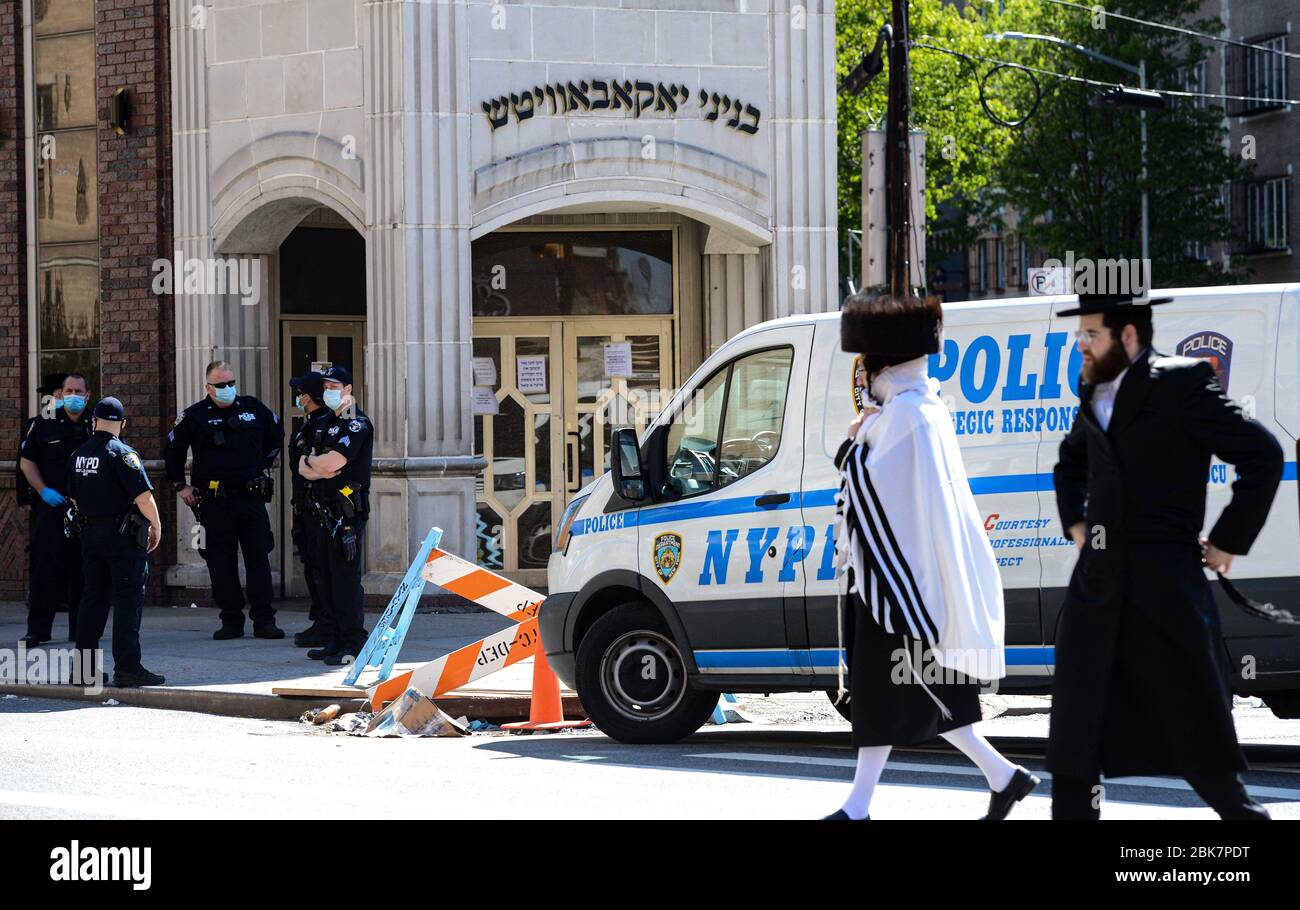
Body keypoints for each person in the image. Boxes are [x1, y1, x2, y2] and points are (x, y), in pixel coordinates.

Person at [1048, 291, 1284, 820]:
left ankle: (1246, 818)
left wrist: (1227, 540)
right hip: (1097, 589)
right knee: (1075, 731)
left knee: (1193, 728)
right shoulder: (1095, 391)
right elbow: (1069, 466)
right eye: (1081, 333)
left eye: (1092, 334)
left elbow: (1262, 456)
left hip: (1164, 586)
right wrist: (1079, 525)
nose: (1080, 344)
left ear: (1128, 336)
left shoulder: (1182, 383)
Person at [826, 289, 1038, 821]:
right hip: (897, 579)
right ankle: (1001, 777)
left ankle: (861, 807)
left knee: (906, 692)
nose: (861, 375)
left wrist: (853, 446)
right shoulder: (913, 408)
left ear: (883, 363)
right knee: (907, 694)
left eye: (867, 363)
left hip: (898, 586)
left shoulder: (909, 415)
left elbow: (876, 494)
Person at [164, 361, 285, 640]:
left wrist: (261, 464)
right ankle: (231, 619)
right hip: (215, 503)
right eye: (220, 385)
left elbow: (276, 435)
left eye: (231, 383)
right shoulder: (194, 416)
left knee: (259, 559)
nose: (227, 389)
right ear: (208, 387)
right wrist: (181, 486)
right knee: (220, 562)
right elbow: (173, 450)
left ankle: (264, 619)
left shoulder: (253, 409)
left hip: (251, 499)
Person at [68, 397, 165, 688]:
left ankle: (84, 672)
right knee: (127, 600)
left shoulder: (78, 454)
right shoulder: (122, 454)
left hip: (90, 535)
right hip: (122, 538)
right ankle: (128, 668)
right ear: (123, 424)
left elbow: (73, 497)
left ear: (94, 421)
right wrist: (156, 526)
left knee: (93, 600)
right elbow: (143, 497)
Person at [297, 365, 372, 666]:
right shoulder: (326, 422)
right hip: (323, 512)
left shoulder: (356, 424)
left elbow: (333, 462)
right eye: (325, 385)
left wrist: (316, 464)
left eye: (334, 386)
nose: (329, 391)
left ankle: (353, 642)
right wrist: (315, 462)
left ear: (348, 389)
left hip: (347, 514)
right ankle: (336, 639)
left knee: (345, 580)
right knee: (326, 578)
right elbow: (304, 466)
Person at [17, 373, 92, 645]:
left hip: (86, 510)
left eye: (78, 391)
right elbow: (27, 462)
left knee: (82, 571)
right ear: (60, 394)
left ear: (87, 395)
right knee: (45, 569)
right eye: (68, 390)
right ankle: (38, 630)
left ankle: (80, 630)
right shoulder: (42, 424)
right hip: (52, 506)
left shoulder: (97, 423)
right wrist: (41, 490)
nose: (73, 395)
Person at [286, 371, 334, 648]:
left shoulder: (324, 424)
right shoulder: (309, 425)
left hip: (318, 507)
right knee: (311, 563)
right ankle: (320, 618)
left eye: (301, 392)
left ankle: (326, 622)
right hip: (304, 505)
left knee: (320, 566)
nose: (299, 397)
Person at [15, 373, 68, 617]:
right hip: (44, 500)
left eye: (61, 393)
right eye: (55, 394)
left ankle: (65, 598)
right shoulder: (35, 425)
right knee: (43, 552)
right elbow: (23, 463)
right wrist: (29, 496)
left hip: (71, 501)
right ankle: (42, 604)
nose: (58, 398)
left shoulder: (78, 423)